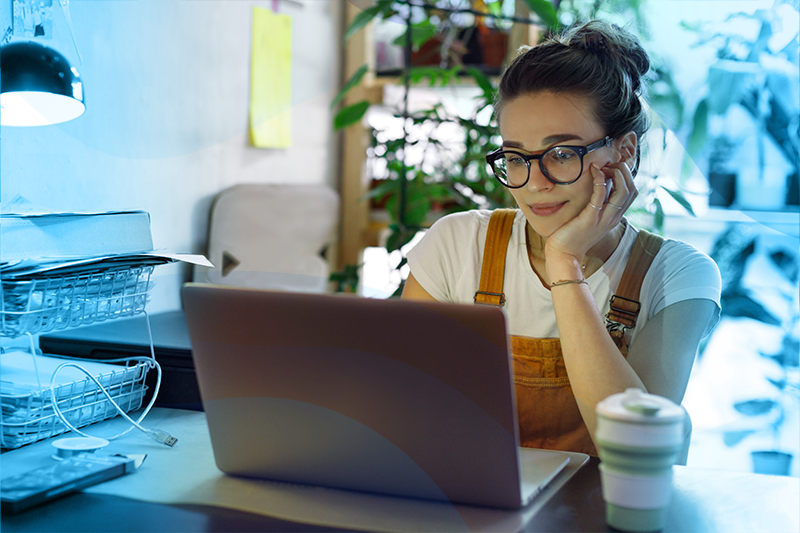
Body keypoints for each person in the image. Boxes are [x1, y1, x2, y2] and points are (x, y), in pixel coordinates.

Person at [402, 20, 721, 459]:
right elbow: (397, 408)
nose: (534, 183)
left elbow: (639, 450)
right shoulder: (457, 243)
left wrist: (565, 263)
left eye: (562, 154)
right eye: (516, 157)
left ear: (623, 151)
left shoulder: (677, 276)